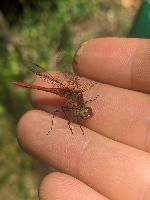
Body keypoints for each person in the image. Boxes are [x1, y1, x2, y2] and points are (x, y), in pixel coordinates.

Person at [16, 38, 150, 200]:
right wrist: (72, 124)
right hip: (60, 91)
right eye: (84, 112)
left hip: (69, 95)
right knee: (57, 108)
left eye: (85, 111)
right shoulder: (75, 100)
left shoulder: (80, 100)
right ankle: (21, 83)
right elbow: (68, 111)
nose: (85, 113)